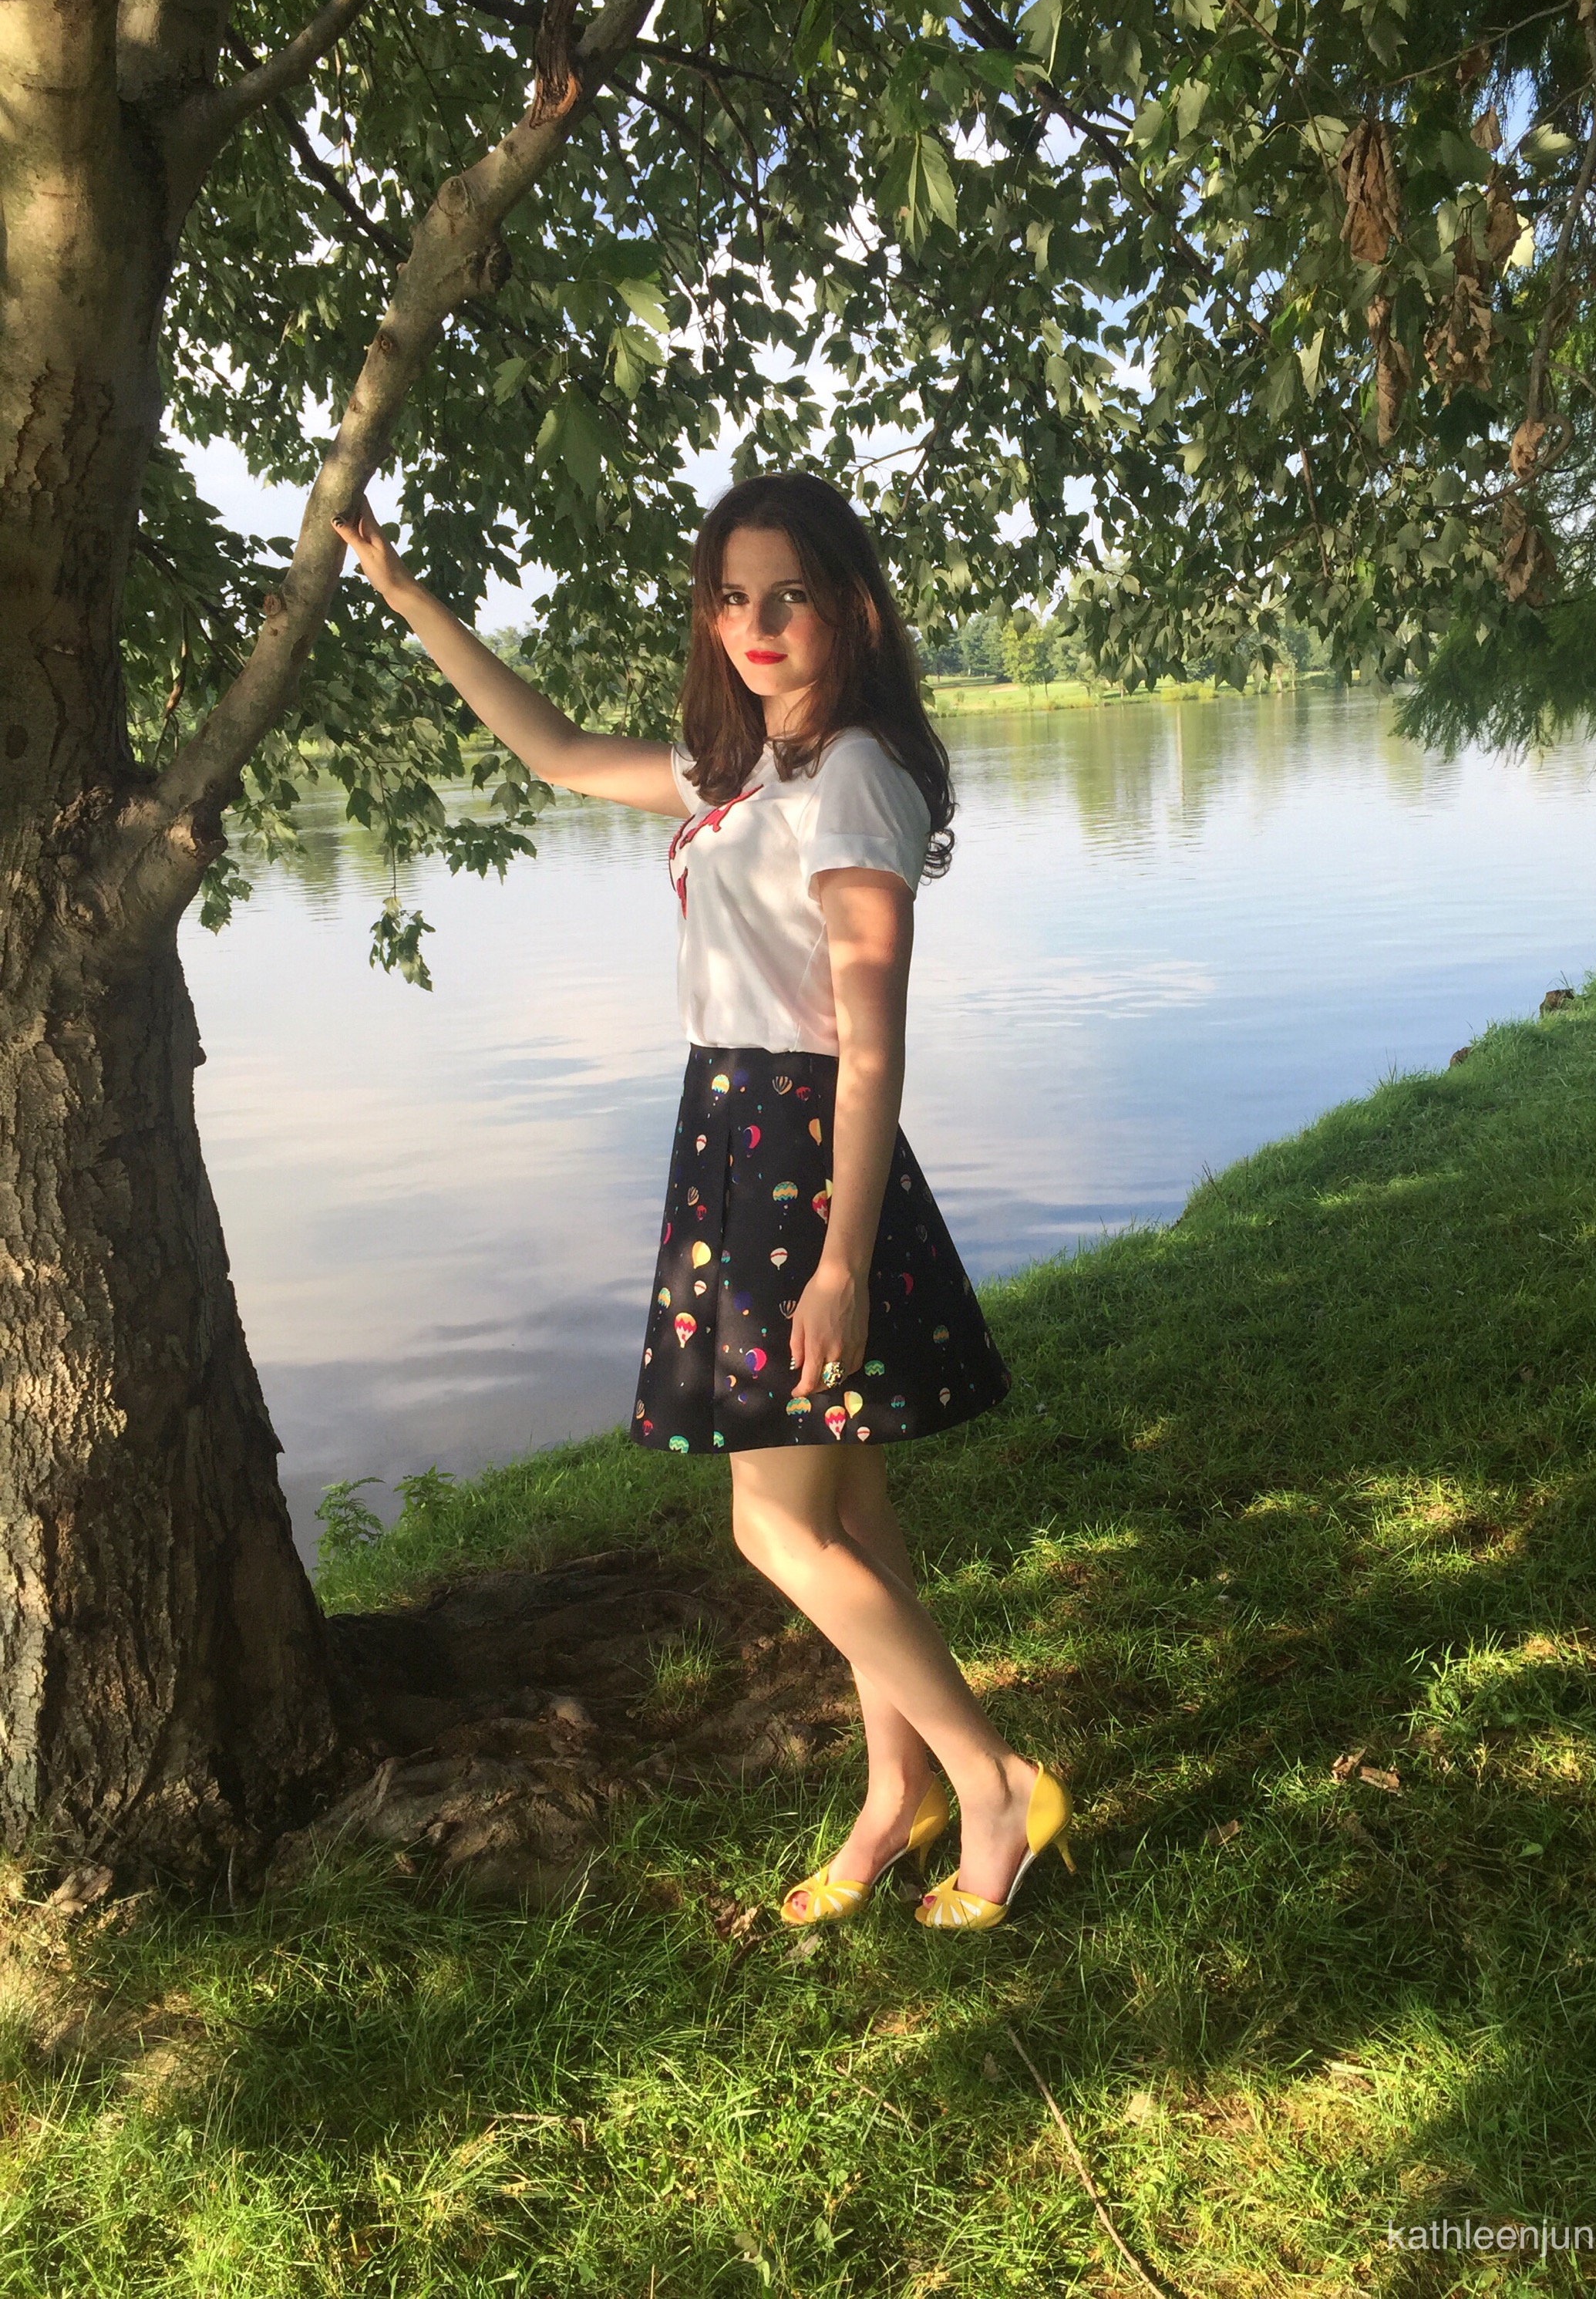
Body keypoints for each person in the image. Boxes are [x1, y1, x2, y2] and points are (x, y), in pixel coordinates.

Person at [333, 471, 1074, 1932]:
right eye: (731, 597)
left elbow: (871, 1039)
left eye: (786, 593)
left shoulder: (853, 772)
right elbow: (552, 751)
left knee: (774, 1530)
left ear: (850, 607)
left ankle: (994, 1781)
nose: (755, 623)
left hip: (802, 1151)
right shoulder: (746, 771)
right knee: (848, 1512)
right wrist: (406, 594)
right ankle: (897, 1793)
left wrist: (839, 1261)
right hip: (735, 1134)